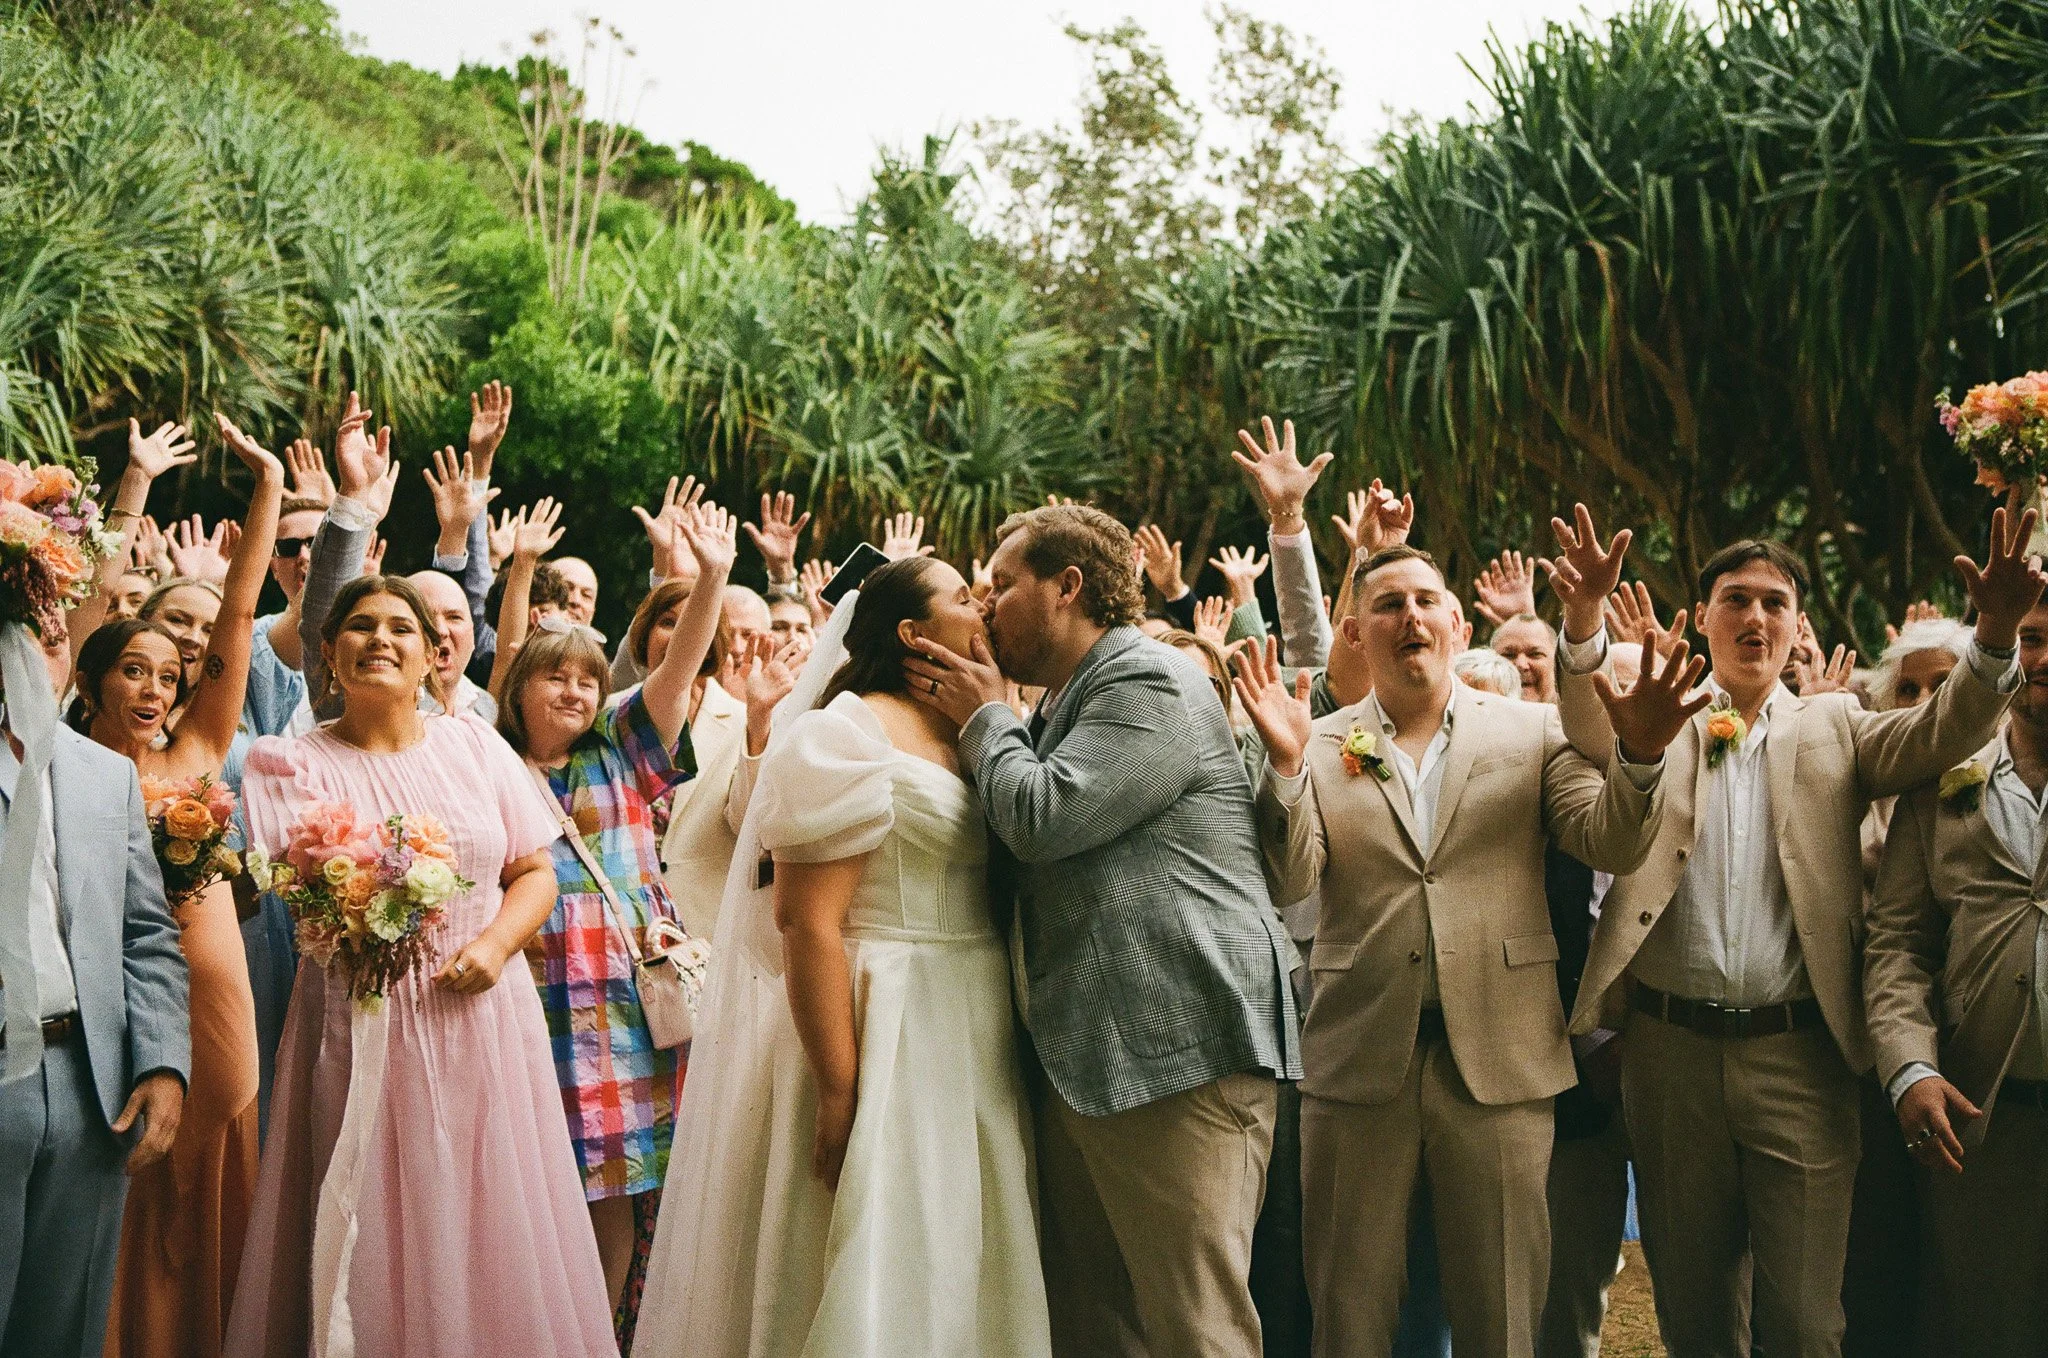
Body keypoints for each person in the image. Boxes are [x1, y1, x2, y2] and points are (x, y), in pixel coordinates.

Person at [1550, 504, 2042, 1358]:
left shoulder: (1837, 730)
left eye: (1775, 602)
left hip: (1804, 1060)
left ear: (1798, 627)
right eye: (1735, 600)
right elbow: (1592, 727)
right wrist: (1586, 622)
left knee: (1810, 1324)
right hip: (1668, 1057)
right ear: (1702, 619)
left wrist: (1995, 634)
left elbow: (1944, 728)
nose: (1755, 617)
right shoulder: (1657, 719)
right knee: (1698, 1319)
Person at [1239, 542, 1697, 1357]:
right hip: (1357, 1059)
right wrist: (1279, 764)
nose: (1408, 616)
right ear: (1356, 632)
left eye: (1424, 601)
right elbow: (1290, 876)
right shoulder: (1317, 739)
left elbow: (1613, 842)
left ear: (1455, 622)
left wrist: (1643, 757)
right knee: (1348, 1316)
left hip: (1503, 1058)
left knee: (1505, 1315)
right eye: (1387, 605)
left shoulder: (1536, 730)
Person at [903, 503, 1301, 1357]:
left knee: (1197, 1327)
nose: (984, 599)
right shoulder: (1058, 705)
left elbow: (1044, 817)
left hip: (1182, 1054)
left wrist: (984, 716)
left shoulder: (1147, 679)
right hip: (1090, 1061)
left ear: (1067, 587)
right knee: (1093, 1328)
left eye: (1002, 584)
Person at [638, 556, 1051, 1358]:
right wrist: (838, 1086)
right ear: (911, 632)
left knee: (966, 1223)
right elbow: (806, 923)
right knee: (875, 1231)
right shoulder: (843, 732)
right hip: (878, 1008)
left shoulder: (981, 727)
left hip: (974, 1009)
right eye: (965, 597)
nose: (985, 607)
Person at [225, 573, 612, 1357]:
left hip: (482, 1017)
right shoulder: (286, 764)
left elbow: (535, 871)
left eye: (399, 627)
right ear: (328, 655)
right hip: (360, 1022)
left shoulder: (473, 745)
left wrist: (495, 945)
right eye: (360, 627)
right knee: (372, 1211)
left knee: (489, 1209)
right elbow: (294, 896)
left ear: (433, 653)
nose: (379, 640)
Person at [497, 500, 732, 1338]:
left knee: (627, 1197)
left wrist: (711, 577)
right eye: (552, 675)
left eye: (586, 678)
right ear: (518, 685)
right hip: (532, 1011)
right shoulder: (486, 763)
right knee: (543, 1194)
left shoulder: (621, 746)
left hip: (630, 1012)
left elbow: (678, 670)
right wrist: (518, 571)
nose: (571, 689)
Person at [76, 416, 280, 1358]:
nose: (156, 688)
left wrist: (269, 490)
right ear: (95, 682)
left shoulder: (198, 752)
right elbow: (83, 609)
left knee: (212, 1183)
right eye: (134, 669)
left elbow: (236, 619)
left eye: (171, 673)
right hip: (116, 1001)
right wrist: (134, 486)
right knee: (124, 1167)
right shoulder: (69, 763)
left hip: (220, 999)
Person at [1, 613, 190, 1358]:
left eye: (52, 641)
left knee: (63, 1324)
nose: (34, 657)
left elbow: (145, 932)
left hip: (87, 1085)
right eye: (18, 636)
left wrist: (163, 1061)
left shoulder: (104, 773)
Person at [1866, 592, 2048, 1357]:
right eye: (2033, 638)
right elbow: (1899, 943)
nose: (2045, 659)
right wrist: (1910, 1069)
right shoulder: (1942, 780)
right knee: (1986, 1328)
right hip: (1982, 1112)